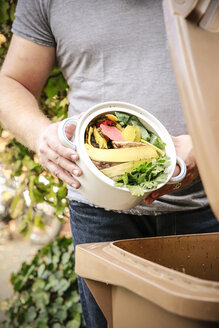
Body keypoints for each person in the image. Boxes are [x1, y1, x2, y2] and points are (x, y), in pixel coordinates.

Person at [0, 1, 218, 327]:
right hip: (98, 214)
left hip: (209, 204)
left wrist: (205, 146)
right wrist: (40, 135)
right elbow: (12, 82)